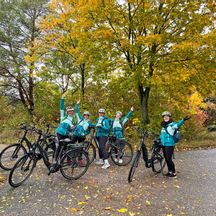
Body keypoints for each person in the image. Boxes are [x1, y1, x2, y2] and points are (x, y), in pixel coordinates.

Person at [160, 111, 190, 177]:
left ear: (169, 117)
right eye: (164, 117)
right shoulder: (163, 125)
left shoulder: (172, 124)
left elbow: (178, 124)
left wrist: (183, 120)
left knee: (169, 159)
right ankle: (169, 171)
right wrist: (160, 140)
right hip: (164, 144)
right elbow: (162, 134)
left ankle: (173, 172)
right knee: (166, 159)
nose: (166, 118)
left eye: (167, 116)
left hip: (170, 144)